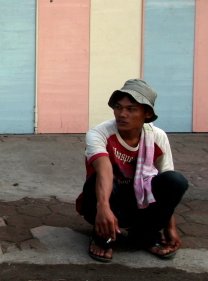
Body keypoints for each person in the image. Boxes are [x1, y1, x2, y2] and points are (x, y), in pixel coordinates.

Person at [77, 79, 189, 263]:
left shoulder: (157, 136)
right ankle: (103, 238)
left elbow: (166, 183)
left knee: (175, 181)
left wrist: (170, 226)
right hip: (103, 201)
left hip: (140, 203)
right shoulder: (99, 133)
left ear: (147, 113)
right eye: (119, 107)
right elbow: (104, 169)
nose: (122, 114)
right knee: (104, 179)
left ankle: (144, 235)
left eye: (131, 109)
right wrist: (103, 207)